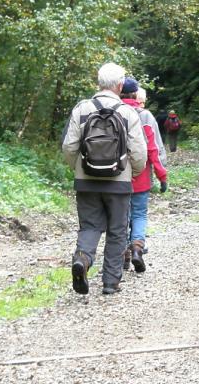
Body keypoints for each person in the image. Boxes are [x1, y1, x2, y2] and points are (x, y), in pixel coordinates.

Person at [62, 62, 147, 295]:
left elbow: (69, 146)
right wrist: (133, 173)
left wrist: (78, 169)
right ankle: (110, 283)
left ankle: (82, 259)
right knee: (118, 231)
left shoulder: (81, 109)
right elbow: (139, 153)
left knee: (89, 226)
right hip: (119, 183)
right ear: (120, 85)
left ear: (98, 83)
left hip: (86, 180)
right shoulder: (128, 113)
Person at [120, 79, 168, 272]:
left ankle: (123, 253)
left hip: (116, 177)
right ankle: (138, 249)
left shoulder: (112, 111)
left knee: (121, 216)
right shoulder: (145, 116)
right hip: (141, 177)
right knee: (139, 214)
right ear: (136, 95)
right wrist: (162, 176)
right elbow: (153, 150)